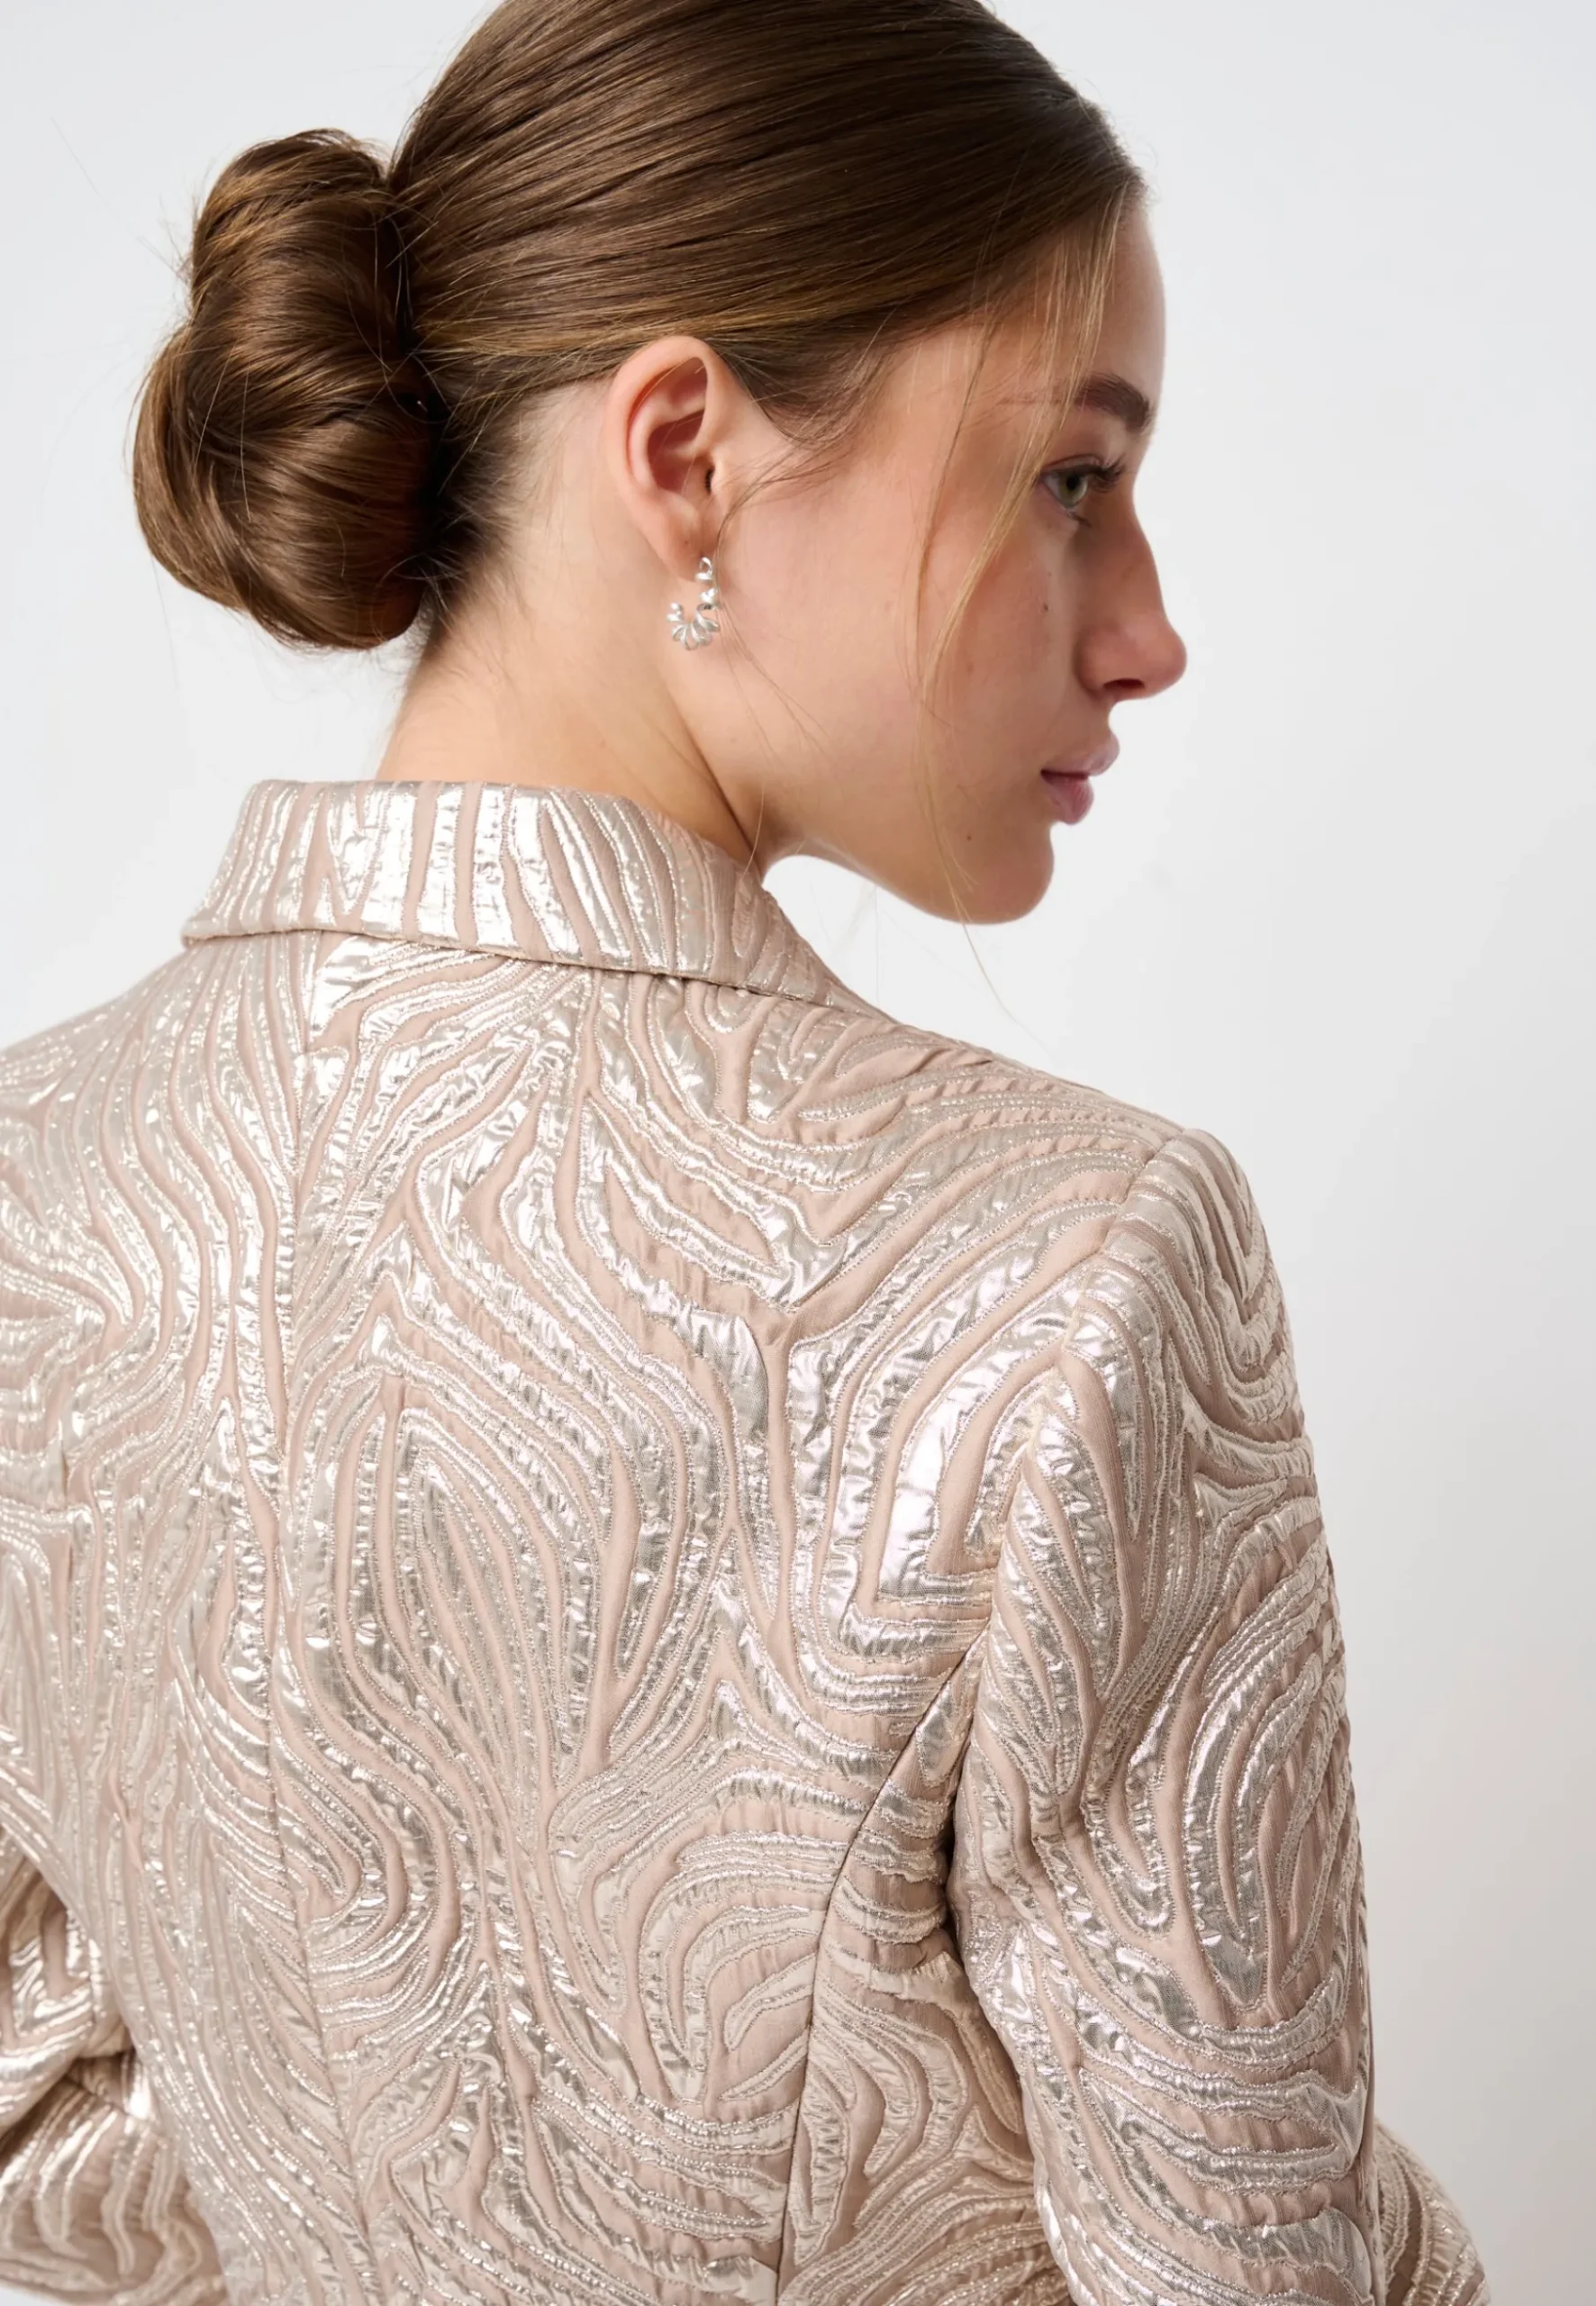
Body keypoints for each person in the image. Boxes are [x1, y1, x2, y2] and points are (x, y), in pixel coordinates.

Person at [0, 1, 1488, 2301]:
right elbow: (1237, 2262)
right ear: (685, 453)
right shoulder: (1075, 1260)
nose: (1147, 630)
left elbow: (43, 2127)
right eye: (1072, 477)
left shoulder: (36, 1179)